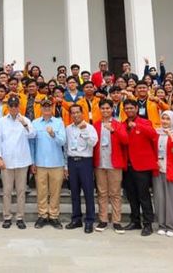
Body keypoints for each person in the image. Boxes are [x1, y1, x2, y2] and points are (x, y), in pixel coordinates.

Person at [0, 95, 36, 229]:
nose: (13, 108)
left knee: (21, 191)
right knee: (6, 191)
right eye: (11, 106)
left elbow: (32, 135)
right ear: (8, 107)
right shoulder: (1, 121)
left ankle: (20, 217)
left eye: (15, 105)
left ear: (19, 106)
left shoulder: (25, 120)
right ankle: (7, 216)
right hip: (6, 161)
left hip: (22, 160)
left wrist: (24, 124)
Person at [121, 99, 158, 236]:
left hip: (142, 166)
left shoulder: (145, 122)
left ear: (137, 108)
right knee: (131, 196)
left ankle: (148, 224)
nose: (129, 110)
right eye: (127, 108)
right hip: (128, 166)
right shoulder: (123, 124)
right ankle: (135, 221)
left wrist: (137, 126)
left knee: (144, 196)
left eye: (131, 108)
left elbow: (153, 135)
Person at [93, 98, 129, 234]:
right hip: (100, 163)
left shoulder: (118, 124)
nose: (105, 110)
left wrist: (113, 130)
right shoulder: (95, 125)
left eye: (108, 108)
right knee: (102, 193)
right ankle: (103, 220)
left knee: (115, 193)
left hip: (114, 163)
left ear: (112, 109)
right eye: (103, 108)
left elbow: (126, 140)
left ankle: (116, 221)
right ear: (100, 110)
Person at [30, 100, 66, 229]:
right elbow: (32, 144)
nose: (46, 108)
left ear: (52, 107)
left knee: (55, 192)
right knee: (41, 191)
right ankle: (42, 215)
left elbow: (63, 142)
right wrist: (33, 162)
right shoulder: (35, 123)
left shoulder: (59, 122)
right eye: (44, 106)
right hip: (40, 163)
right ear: (40, 108)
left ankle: (54, 216)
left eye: (48, 106)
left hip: (56, 162)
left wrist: (53, 134)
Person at [65, 104, 98, 233]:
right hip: (72, 161)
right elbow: (66, 146)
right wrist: (66, 166)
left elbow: (93, 143)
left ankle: (89, 220)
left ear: (82, 113)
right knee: (74, 192)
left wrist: (84, 131)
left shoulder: (90, 128)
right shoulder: (68, 128)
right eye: (73, 113)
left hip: (85, 162)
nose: (75, 115)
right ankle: (76, 219)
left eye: (77, 112)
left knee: (88, 192)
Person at [153, 110, 173, 237]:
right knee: (159, 198)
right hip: (158, 169)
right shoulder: (156, 133)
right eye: (163, 118)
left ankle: (172, 226)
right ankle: (161, 224)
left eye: (168, 119)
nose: (165, 121)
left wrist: (171, 136)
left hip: (171, 171)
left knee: (171, 199)